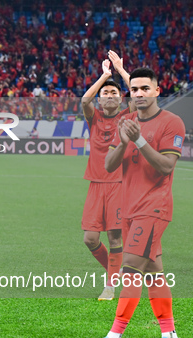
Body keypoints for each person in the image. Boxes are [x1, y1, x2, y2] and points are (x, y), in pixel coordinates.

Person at [84, 68, 185, 338]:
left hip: (153, 207)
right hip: (128, 208)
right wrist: (126, 140)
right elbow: (109, 165)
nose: (139, 93)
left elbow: (166, 167)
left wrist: (140, 140)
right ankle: (169, 336)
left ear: (156, 91)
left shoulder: (171, 122)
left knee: (130, 269)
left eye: (144, 89)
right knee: (154, 273)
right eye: (135, 89)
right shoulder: (126, 121)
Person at [80, 52, 133, 301]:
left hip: (119, 184)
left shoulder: (128, 116)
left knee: (114, 237)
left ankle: (110, 286)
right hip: (95, 184)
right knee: (90, 239)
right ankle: (116, 271)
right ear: (100, 100)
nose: (109, 96)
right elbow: (84, 100)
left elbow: (140, 95)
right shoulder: (95, 118)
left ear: (120, 99)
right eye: (105, 93)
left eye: (114, 93)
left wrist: (121, 71)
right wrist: (104, 76)